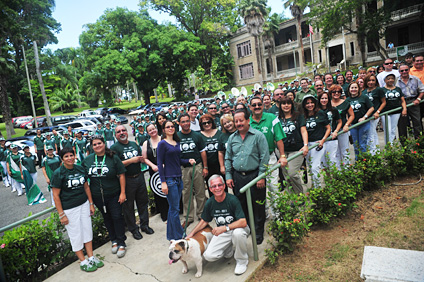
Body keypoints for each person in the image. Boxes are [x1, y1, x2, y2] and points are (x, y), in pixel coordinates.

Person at [51, 147, 104, 272]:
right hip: (69, 209)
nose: (70, 158)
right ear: (62, 159)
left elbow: (86, 187)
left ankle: (91, 257)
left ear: (75, 156)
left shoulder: (80, 168)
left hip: (84, 204)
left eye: (71, 155)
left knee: (87, 231)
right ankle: (83, 261)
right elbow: (55, 195)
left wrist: (91, 203)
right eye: (66, 156)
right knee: (76, 234)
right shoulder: (58, 173)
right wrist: (61, 214)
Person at [186, 175, 250, 275]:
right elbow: (204, 221)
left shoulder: (232, 200)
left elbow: (243, 222)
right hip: (224, 231)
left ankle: (242, 261)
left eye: (219, 185)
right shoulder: (210, 203)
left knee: (237, 234)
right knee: (209, 256)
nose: (217, 188)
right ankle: (228, 249)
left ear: (224, 186)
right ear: (210, 189)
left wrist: (225, 228)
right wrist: (191, 234)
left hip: (238, 228)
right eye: (214, 186)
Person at [225, 109, 270, 245]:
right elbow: (228, 158)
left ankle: (258, 233)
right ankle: (249, 229)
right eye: (236, 121)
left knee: (258, 206)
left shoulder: (258, 136)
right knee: (242, 206)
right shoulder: (232, 138)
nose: (238, 123)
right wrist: (228, 175)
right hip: (238, 177)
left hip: (255, 176)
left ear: (248, 120)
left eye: (241, 120)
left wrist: (261, 176)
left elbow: (264, 156)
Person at [82, 135, 127, 258]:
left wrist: (123, 193)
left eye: (99, 143)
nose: (97, 146)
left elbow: (122, 175)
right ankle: (114, 240)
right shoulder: (88, 160)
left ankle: (121, 242)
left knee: (117, 217)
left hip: (114, 194)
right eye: (94, 144)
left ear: (104, 144)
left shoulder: (113, 158)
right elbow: (84, 179)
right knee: (106, 217)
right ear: (92, 146)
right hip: (97, 196)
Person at [111, 125, 154, 240]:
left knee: (143, 202)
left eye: (123, 130)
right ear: (115, 135)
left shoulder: (133, 144)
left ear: (127, 131)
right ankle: (134, 229)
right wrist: (131, 161)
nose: (121, 133)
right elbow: (115, 166)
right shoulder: (114, 148)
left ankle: (144, 225)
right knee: (129, 206)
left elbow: (141, 157)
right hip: (127, 179)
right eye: (118, 131)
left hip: (139, 176)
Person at [248, 97, 287, 215]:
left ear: (263, 105)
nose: (257, 107)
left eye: (259, 104)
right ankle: (263, 214)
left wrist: (283, 155)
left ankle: (277, 215)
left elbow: (279, 138)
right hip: (253, 160)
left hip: (270, 157)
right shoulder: (247, 122)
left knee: (274, 187)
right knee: (258, 190)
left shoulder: (272, 118)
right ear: (250, 107)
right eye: (254, 105)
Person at [157, 120, 195, 240]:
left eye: (172, 126)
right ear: (163, 130)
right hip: (170, 179)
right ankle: (180, 235)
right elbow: (159, 163)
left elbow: (178, 161)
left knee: (173, 209)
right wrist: (163, 182)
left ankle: (171, 236)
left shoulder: (176, 142)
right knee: (175, 209)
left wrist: (188, 161)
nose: (170, 128)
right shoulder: (162, 144)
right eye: (167, 127)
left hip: (179, 178)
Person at [177, 113, 208, 228]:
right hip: (184, 168)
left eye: (187, 121)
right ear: (179, 123)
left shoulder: (197, 135)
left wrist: (205, 167)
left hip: (197, 166)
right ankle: (188, 217)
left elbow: (203, 152)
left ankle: (202, 214)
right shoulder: (176, 136)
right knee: (186, 192)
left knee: (200, 191)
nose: (185, 123)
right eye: (183, 122)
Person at [279, 97, 308, 194]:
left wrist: (305, 145)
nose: (286, 105)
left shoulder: (298, 116)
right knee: (286, 176)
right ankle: (292, 197)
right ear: (280, 105)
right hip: (282, 151)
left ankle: (300, 194)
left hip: (296, 149)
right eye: (283, 103)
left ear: (292, 105)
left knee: (292, 173)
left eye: (288, 103)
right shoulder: (278, 119)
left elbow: (303, 130)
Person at [142, 123, 169, 222]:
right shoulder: (146, 143)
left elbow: (170, 153)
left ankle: (175, 211)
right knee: (159, 191)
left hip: (167, 168)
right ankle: (164, 214)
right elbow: (144, 158)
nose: (152, 131)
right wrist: (152, 166)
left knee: (170, 189)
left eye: (153, 129)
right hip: (154, 171)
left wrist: (165, 163)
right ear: (148, 132)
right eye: (150, 130)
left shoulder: (164, 139)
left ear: (156, 129)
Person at [302, 95, 331, 186]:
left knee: (315, 167)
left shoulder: (320, 113)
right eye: (307, 103)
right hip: (308, 144)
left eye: (312, 103)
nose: (310, 105)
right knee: (310, 167)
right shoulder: (302, 116)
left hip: (318, 143)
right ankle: (315, 186)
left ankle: (318, 189)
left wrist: (323, 140)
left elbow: (328, 128)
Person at [346, 82, 374, 158]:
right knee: (356, 144)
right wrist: (348, 121)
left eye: (355, 87)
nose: (353, 89)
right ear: (349, 89)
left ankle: (364, 162)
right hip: (353, 125)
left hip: (363, 124)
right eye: (352, 88)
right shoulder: (347, 100)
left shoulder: (364, 97)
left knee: (362, 144)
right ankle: (358, 161)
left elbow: (371, 108)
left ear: (359, 89)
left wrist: (364, 117)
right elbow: (346, 112)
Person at [396, 64, 424, 141]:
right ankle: (404, 146)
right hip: (401, 103)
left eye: (406, 70)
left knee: (417, 122)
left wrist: (418, 99)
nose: (404, 72)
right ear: (399, 72)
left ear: (409, 70)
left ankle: (419, 143)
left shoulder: (415, 79)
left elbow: (422, 90)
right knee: (402, 124)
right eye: (402, 70)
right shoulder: (396, 81)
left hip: (413, 101)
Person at [330, 85, 355, 164]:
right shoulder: (328, 103)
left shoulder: (345, 103)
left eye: (338, 92)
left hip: (342, 130)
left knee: (344, 150)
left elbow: (352, 115)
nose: (336, 93)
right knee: (335, 152)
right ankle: (338, 171)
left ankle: (346, 168)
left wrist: (347, 124)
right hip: (332, 131)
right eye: (334, 92)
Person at [199, 114, 223, 196]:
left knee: (222, 185)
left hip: (219, 164)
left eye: (208, 122)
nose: (206, 124)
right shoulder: (199, 135)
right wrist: (204, 167)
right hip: (207, 165)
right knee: (211, 186)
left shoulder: (219, 133)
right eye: (204, 123)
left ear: (212, 122)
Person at [363, 74, 386, 154]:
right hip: (367, 115)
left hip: (375, 115)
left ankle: (374, 152)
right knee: (371, 133)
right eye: (369, 80)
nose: (371, 82)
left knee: (371, 133)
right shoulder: (364, 91)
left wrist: (378, 112)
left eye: (373, 80)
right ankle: (375, 151)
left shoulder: (379, 90)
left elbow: (383, 102)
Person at [318, 92, 342, 168]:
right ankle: (328, 179)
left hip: (332, 138)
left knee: (332, 160)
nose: (324, 100)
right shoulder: (316, 111)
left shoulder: (333, 110)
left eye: (326, 98)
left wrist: (336, 131)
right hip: (320, 139)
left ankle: (335, 178)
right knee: (323, 162)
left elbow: (340, 122)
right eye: (322, 98)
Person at [381, 74, 407, 144]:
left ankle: (391, 145)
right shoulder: (382, 90)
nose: (390, 80)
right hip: (385, 112)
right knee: (387, 130)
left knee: (393, 129)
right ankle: (388, 145)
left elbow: (402, 100)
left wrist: (404, 109)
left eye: (392, 78)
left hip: (396, 111)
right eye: (388, 78)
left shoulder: (398, 89)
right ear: (385, 80)